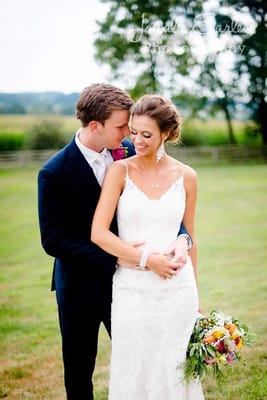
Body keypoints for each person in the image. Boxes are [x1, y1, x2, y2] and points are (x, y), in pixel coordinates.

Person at [37, 83, 192, 400]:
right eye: (123, 126)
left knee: (140, 362)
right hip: (79, 286)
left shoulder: (134, 152)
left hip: (133, 285)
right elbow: (54, 240)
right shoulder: (53, 172)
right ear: (95, 126)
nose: (130, 134)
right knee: (79, 371)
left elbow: (162, 204)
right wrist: (117, 258)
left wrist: (183, 237)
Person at [91, 93, 205, 399]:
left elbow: (190, 237)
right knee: (135, 367)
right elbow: (99, 233)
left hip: (178, 289)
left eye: (146, 134)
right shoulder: (120, 171)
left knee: (176, 367)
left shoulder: (188, 177)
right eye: (133, 131)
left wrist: (196, 300)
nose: (136, 140)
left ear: (166, 133)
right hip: (133, 290)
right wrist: (145, 259)